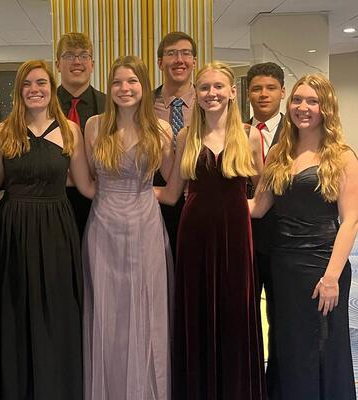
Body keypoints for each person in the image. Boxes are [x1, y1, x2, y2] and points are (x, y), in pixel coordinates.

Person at [155, 62, 265, 399]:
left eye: (218, 87)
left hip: (234, 235)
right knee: (196, 312)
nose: (211, 93)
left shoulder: (248, 135)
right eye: (204, 88)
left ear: (233, 92)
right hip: (195, 235)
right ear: (196, 94)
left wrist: (245, 210)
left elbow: (263, 189)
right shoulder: (186, 136)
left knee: (235, 311)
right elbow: (172, 190)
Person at [0, 59, 94, 400]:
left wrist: (133, 195)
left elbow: (84, 185)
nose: (35, 90)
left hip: (57, 227)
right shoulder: (2, 132)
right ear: (19, 91)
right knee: (16, 307)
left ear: (51, 88)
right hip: (14, 229)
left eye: (41, 83)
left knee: (57, 308)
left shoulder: (71, 131)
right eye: (28, 84)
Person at [249, 74, 358, 399]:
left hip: (322, 267)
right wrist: (207, 202)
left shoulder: (341, 155)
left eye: (312, 101)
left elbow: (351, 219)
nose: (303, 107)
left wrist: (331, 277)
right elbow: (257, 207)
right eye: (298, 100)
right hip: (285, 268)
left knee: (321, 348)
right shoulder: (280, 154)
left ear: (325, 107)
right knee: (289, 346)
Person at [83, 55, 174, 400]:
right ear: (109, 88)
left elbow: (174, 188)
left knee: (145, 310)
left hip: (145, 226)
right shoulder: (93, 126)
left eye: (132, 81)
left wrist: (140, 193)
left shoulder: (162, 129)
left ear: (144, 86)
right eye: (118, 82)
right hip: (103, 227)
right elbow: (86, 185)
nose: (125, 88)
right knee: (108, 314)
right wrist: (115, 196)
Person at [245, 61, 286, 380]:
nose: (263, 94)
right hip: (243, 238)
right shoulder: (236, 132)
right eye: (257, 88)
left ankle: (278, 383)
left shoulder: (299, 131)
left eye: (270, 88)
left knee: (281, 316)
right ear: (248, 94)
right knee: (244, 317)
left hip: (286, 242)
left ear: (282, 92)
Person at [55, 32, 106, 237]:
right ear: (58, 64)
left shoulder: (111, 106)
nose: (77, 62)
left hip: (99, 203)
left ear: (92, 64)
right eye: (69, 55)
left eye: (83, 55)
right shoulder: (41, 107)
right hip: (54, 203)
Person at [153, 31, 198, 262]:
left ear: (194, 62)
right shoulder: (144, 107)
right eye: (171, 54)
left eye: (185, 54)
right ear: (160, 62)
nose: (179, 60)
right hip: (157, 206)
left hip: (199, 203)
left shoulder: (210, 105)